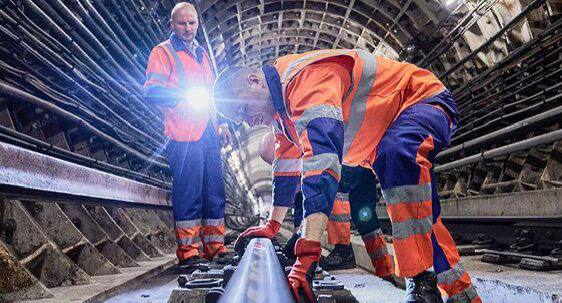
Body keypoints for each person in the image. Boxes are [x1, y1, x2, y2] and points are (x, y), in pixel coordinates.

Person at [213, 49, 481, 303]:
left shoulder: (304, 81)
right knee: (419, 215)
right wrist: (272, 226)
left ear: (254, 81)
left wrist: (307, 253)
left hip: (421, 99)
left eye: (243, 111)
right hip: (388, 132)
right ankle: (462, 292)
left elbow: (321, 166)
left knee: (398, 157)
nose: (247, 122)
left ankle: (421, 281)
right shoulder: (282, 116)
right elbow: (285, 172)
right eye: (239, 120)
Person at [143, 2, 231, 268]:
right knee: (189, 194)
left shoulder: (203, 54)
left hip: (207, 132)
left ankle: (216, 247)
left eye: (192, 23)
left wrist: (223, 125)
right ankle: (189, 252)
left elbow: (215, 93)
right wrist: (182, 96)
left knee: (214, 191)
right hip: (183, 136)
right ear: (172, 24)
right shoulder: (163, 53)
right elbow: (151, 91)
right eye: (182, 23)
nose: (188, 28)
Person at [257, 132, 393, 278]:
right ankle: (385, 270)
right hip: (361, 159)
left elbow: (313, 195)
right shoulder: (302, 136)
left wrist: (300, 235)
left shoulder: (301, 143)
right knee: (365, 217)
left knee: (334, 192)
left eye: (274, 159)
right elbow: (302, 199)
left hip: (346, 162)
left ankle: (343, 250)